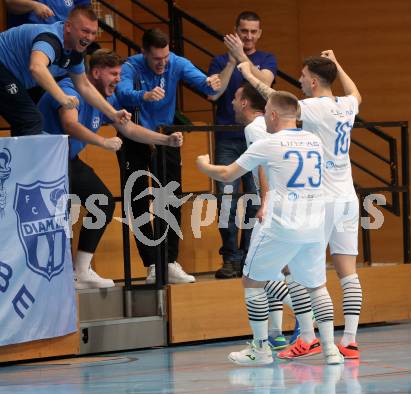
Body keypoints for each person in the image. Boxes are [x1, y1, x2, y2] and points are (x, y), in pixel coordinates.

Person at [197, 91, 344, 366]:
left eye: (267, 111)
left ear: (273, 115)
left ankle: (260, 349)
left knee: (252, 281)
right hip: (314, 222)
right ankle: (330, 350)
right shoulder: (314, 140)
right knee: (317, 286)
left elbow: (228, 174)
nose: (264, 116)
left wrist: (203, 165)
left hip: (282, 223)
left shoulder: (269, 143)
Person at [238, 50, 363, 360]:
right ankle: (349, 340)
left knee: (302, 271)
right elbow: (355, 92)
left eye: (304, 76)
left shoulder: (311, 107)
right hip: (348, 196)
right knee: (348, 273)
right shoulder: (346, 105)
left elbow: (278, 101)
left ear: (315, 80)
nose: (301, 80)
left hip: (321, 200)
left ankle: (308, 336)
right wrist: (338, 62)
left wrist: (250, 76)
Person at [38, 49, 184, 289]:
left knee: (102, 202)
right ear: (95, 73)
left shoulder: (108, 98)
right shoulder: (70, 88)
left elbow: (129, 129)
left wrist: (164, 140)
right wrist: (103, 142)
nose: (118, 78)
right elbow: (69, 124)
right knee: (57, 216)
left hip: (66, 159)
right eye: (113, 73)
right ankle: (52, 277)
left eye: (119, 74)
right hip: (44, 161)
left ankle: (81, 271)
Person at [116, 28, 223, 284]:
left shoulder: (176, 62)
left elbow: (203, 83)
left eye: (165, 57)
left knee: (171, 199)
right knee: (139, 202)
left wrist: (212, 81)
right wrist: (143, 95)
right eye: (156, 59)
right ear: (144, 53)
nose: (162, 63)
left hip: (168, 137)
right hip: (136, 138)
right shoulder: (132, 66)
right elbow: (120, 92)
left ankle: (170, 261)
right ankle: (152, 264)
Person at [208, 11, 277, 279]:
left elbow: (265, 83)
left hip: (258, 137)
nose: (248, 36)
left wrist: (243, 58)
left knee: (253, 201)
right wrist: (230, 61)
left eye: (253, 32)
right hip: (228, 138)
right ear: (236, 31)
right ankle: (230, 258)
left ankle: (249, 255)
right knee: (226, 199)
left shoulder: (266, 59)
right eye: (244, 31)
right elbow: (214, 92)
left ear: (259, 34)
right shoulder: (218, 60)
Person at [0, 5, 130, 137]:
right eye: (85, 31)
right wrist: (62, 98)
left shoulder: (75, 52)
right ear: (68, 27)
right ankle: (24, 158)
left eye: (93, 33)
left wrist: (112, 113)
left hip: (11, 76)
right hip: (3, 66)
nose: (89, 37)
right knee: (30, 120)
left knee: (29, 120)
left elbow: (84, 86)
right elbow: (37, 68)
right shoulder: (51, 39)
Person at [232, 82, 292, 351]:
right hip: (287, 203)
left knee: (255, 272)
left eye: (235, 97)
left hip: (275, 205)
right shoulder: (263, 127)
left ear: (245, 102)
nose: (232, 102)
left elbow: (266, 166)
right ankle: (276, 333)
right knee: (271, 269)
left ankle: (308, 307)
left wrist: (265, 201)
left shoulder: (254, 127)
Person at [5, 0, 91, 28]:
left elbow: (84, 11)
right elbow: (10, 3)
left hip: (68, 39)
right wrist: (34, 5)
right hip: (38, 36)